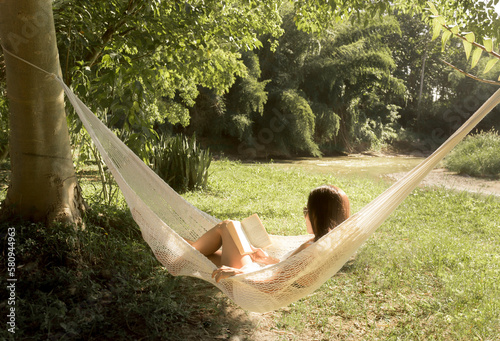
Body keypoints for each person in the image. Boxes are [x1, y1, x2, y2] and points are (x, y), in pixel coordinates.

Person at [188, 185, 350, 282]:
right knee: (205, 256)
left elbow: (274, 282)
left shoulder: (314, 252)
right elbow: (286, 269)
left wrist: (237, 273)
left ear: (319, 216)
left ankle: (181, 249)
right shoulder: (321, 244)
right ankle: (181, 248)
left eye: (307, 210)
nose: (305, 215)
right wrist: (266, 259)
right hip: (256, 271)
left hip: (250, 281)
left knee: (227, 226)